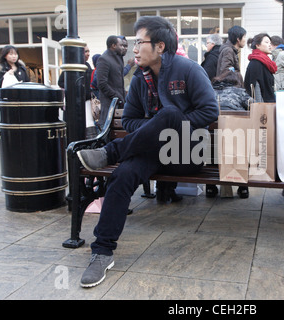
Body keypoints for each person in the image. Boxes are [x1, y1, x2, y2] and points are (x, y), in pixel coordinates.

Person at [76, 16, 218, 288]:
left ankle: (110, 152)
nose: (135, 49)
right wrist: (155, 128)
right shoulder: (140, 79)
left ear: (160, 46)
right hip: (152, 152)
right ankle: (102, 251)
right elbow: (128, 120)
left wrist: (168, 123)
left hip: (186, 153)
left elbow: (210, 112)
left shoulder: (188, 70)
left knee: (169, 114)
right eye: (134, 43)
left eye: (140, 42)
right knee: (122, 176)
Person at [215, 25, 249, 199]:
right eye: (244, 37)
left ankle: (214, 186)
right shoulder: (229, 51)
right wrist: (238, 78)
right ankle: (243, 186)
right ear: (238, 38)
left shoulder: (228, 49)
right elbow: (226, 70)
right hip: (233, 105)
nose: (245, 40)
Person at [58, 46, 96, 138]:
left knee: (89, 125)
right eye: (86, 51)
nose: (88, 54)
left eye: (88, 51)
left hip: (86, 101)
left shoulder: (87, 66)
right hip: (74, 102)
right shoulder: (70, 66)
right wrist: (75, 89)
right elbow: (60, 82)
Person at [96, 35, 126, 128]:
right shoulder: (103, 59)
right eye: (120, 45)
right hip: (109, 105)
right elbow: (101, 83)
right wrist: (116, 97)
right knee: (108, 131)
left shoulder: (118, 59)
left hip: (119, 104)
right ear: (113, 45)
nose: (123, 48)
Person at [244, 33, 277, 103]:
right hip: (262, 107)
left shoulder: (266, 62)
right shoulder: (256, 63)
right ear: (258, 45)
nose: (270, 45)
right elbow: (255, 88)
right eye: (266, 42)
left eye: (270, 43)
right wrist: (260, 106)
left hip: (268, 104)